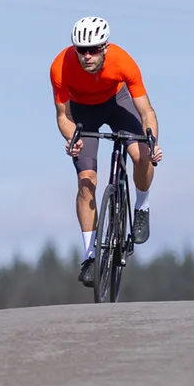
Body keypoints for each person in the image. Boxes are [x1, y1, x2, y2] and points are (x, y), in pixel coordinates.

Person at [50, 16, 163, 287]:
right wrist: (72, 138)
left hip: (117, 101)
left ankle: (142, 207)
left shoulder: (123, 62)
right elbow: (63, 115)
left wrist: (153, 141)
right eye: (81, 50)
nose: (87, 56)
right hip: (81, 111)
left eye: (93, 50)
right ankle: (90, 256)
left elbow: (146, 110)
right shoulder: (60, 67)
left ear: (106, 47)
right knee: (86, 181)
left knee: (143, 156)